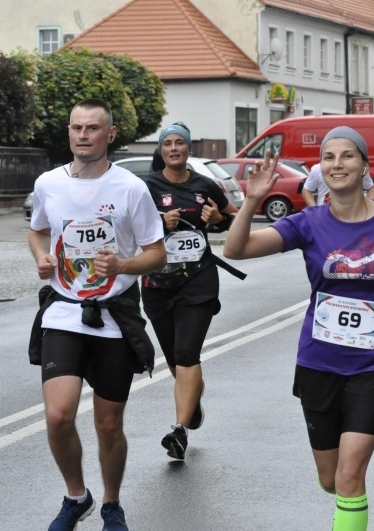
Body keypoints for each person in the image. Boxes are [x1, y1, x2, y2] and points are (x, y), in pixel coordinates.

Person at [223, 126, 374, 531]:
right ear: (320, 169)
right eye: (329, 157)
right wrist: (253, 201)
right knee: (330, 478)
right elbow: (235, 250)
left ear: (364, 165)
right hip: (319, 362)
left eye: (347, 155)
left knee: (351, 477)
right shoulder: (308, 223)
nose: (337, 164)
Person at [28, 99, 166, 531]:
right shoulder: (49, 183)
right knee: (58, 415)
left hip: (113, 316)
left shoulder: (130, 188)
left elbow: (157, 254)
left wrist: (123, 266)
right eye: (76, 128)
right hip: (64, 313)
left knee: (108, 424)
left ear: (110, 134)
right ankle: (76, 496)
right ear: (68, 133)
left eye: (92, 128)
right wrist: (41, 258)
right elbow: (37, 230)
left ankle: (110, 504)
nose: (83, 135)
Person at [141, 123, 241, 461]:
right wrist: (158, 223)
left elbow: (234, 218)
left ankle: (179, 430)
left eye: (179, 143)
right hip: (157, 283)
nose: (173, 148)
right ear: (161, 150)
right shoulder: (146, 187)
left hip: (199, 277)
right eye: (167, 143)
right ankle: (191, 401)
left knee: (187, 352)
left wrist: (217, 219)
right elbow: (126, 228)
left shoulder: (205, 184)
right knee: (173, 359)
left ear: (188, 149)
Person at [302, 162, 374, 206]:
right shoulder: (317, 169)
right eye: (330, 156)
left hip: (353, 219)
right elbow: (307, 190)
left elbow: (370, 188)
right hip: (325, 219)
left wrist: (368, 208)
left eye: (347, 156)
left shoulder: (359, 168)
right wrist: (314, 209)